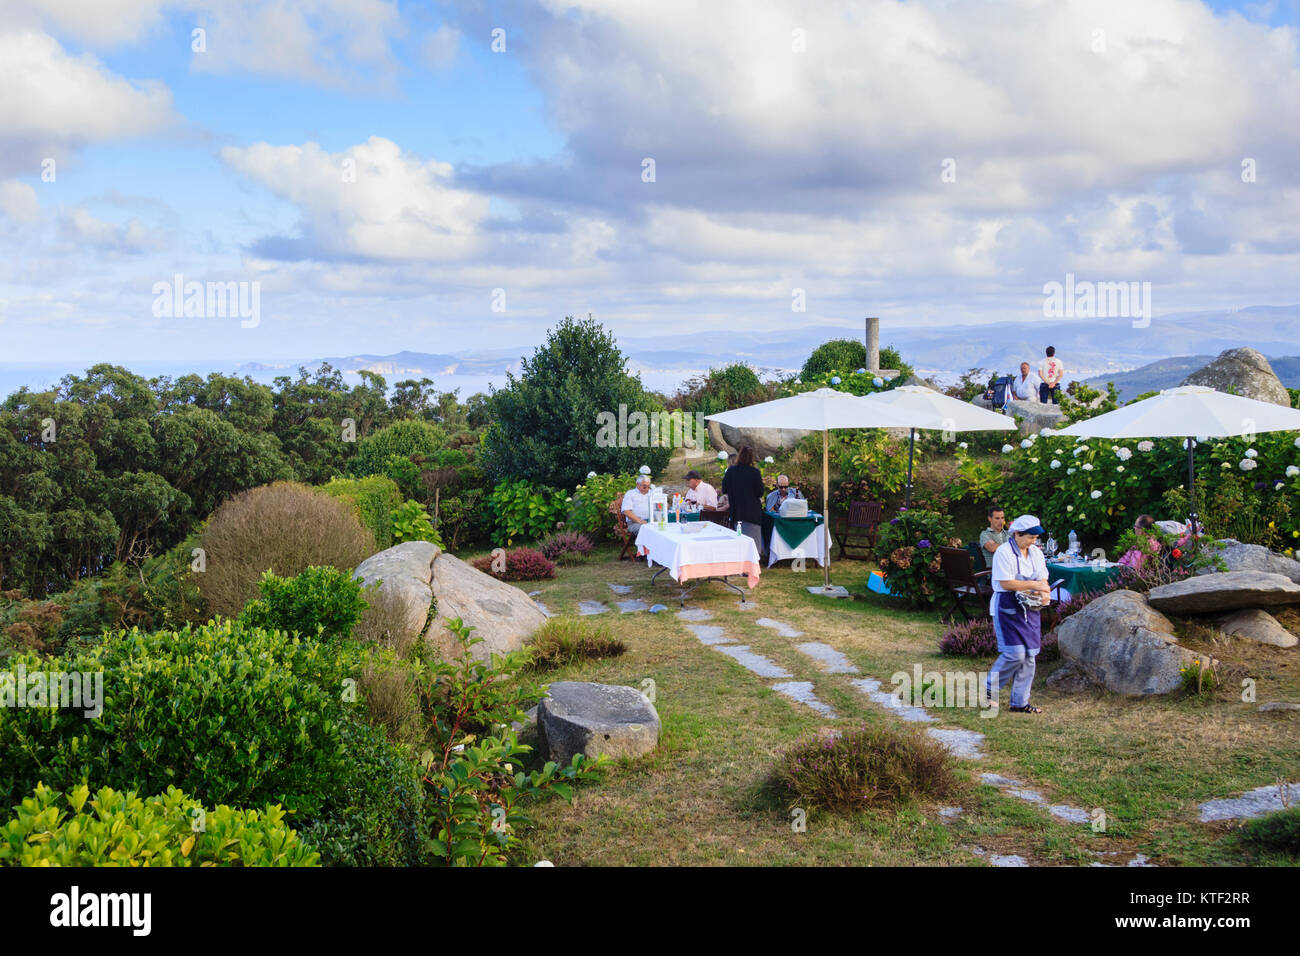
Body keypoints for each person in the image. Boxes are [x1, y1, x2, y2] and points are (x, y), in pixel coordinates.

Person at [985, 515, 1050, 714]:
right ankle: (988, 690)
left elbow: (1043, 578)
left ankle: (1020, 703)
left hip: (1030, 609)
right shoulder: (1004, 552)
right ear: (1017, 534)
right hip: (1007, 607)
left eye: (1036, 537)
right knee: (1015, 654)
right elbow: (1006, 583)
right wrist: (1034, 585)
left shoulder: (1036, 553)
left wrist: (1044, 593)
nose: (1034, 541)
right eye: (1030, 537)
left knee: (1030, 656)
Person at [720, 445, 766, 556]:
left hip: (737, 511)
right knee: (753, 543)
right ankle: (751, 566)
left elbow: (724, 489)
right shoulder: (754, 472)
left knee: (740, 540)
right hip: (752, 513)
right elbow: (759, 492)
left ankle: (741, 564)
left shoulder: (731, 471)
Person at [978, 505, 1009, 570]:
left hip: (1010, 568)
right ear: (990, 519)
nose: (1001, 521)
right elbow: (992, 548)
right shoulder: (985, 534)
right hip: (995, 571)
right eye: (997, 518)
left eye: (1002, 518)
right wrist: (1015, 545)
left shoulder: (1008, 533)